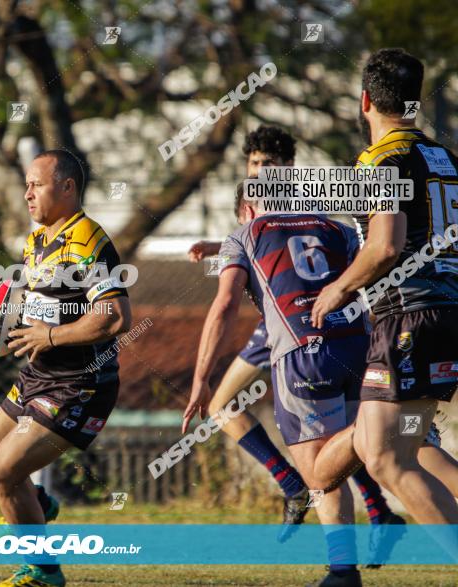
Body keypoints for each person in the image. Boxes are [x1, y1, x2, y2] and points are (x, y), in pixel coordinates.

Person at [187, 126, 400, 546]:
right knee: (225, 406)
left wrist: (229, 244)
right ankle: (313, 492)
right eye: (254, 165)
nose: (260, 172)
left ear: (288, 170)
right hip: (328, 331)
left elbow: (263, 248)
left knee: (326, 445)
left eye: (269, 165)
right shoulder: (326, 224)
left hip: (293, 328)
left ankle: (315, 499)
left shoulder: (274, 219)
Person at [186, 181, 374, 587]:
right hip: (360, 346)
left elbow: (224, 306)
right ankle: (383, 443)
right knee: (362, 457)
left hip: (305, 353)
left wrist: (201, 377)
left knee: (321, 475)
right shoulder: (337, 229)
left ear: (246, 210)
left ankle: (343, 571)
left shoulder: (246, 234)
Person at [0, 149, 132, 587]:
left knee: (3, 474)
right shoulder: (36, 239)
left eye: (35, 184)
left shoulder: (89, 243)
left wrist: (51, 337)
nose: (26, 194)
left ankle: (44, 574)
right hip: (39, 377)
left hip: (79, 384)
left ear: (67, 187)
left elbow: (115, 317)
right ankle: (38, 505)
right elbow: (29, 305)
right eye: (26, 184)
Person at [311, 48, 458, 546]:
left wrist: (337, 288)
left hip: (410, 316)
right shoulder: (448, 160)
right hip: (449, 312)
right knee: (401, 447)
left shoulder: (379, 160)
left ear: (365, 100)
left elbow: (386, 246)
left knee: (387, 459)